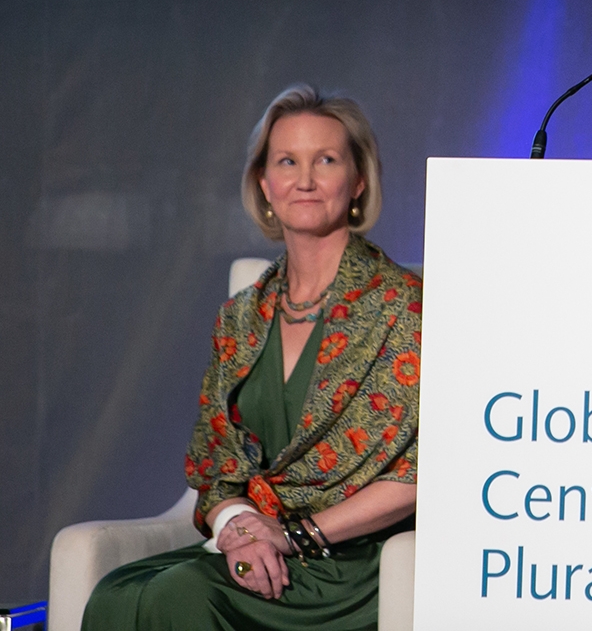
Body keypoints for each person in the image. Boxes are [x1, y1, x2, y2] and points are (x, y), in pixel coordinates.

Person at [83, 84, 421, 631]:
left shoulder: (403, 306)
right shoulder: (240, 317)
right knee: (116, 594)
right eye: (287, 161)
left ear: (358, 181)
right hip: (259, 546)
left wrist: (291, 536)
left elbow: (418, 473)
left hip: (354, 563)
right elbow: (216, 468)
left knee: (183, 595)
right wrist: (241, 530)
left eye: (326, 160)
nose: (305, 180)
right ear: (265, 184)